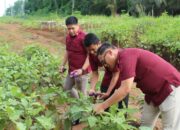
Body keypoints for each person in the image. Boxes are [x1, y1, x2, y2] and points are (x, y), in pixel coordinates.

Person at [94, 43, 180, 130]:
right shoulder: (121, 61)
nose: (105, 65)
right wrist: (107, 93)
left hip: (169, 88)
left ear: (110, 53)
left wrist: (102, 106)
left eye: (103, 62)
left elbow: (125, 88)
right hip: (151, 94)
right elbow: (121, 83)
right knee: (145, 126)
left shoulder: (126, 56)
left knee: (171, 128)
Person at [83, 33, 129, 110]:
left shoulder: (108, 53)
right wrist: (92, 88)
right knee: (105, 108)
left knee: (121, 109)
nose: (92, 52)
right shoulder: (92, 55)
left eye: (93, 49)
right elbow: (95, 73)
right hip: (107, 79)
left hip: (120, 81)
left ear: (99, 43)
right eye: (89, 50)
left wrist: (108, 92)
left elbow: (115, 74)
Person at [59, 16, 90, 98]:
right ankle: (77, 102)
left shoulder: (84, 38)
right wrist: (62, 65)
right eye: (68, 29)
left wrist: (82, 69)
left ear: (78, 26)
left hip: (82, 72)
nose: (71, 31)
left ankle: (84, 108)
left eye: (73, 28)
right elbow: (67, 51)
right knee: (66, 88)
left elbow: (89, 55)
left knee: (82, 94)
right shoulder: (68, 37)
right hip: (72, 70)